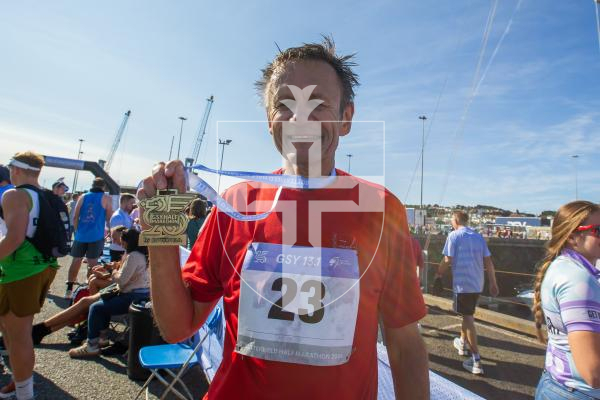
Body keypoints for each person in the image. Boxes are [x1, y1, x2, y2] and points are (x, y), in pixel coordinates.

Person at [138, 37, 429, 399]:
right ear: (268, 120)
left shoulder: (381, 209)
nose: (299, 118)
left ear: (346, 119)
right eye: (285, 104)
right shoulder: (235, 205)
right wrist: (161, 235)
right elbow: (178, 327)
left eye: (318, 104)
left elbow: (404, 343)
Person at [0, 152, 59, 400]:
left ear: (16, 169)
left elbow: (14, 238)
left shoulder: (14, 194)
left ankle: (25, 393)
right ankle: (20, 383)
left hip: (20, 270)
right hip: (44, 266)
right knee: (11, 329)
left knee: (18, 334)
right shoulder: (49, 196)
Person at [532, 201, 600, 399]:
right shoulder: (578, 280)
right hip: (578, 392)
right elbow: (593, 373)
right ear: (571, 236)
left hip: (558, 385)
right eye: (598, 230)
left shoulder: (562, 267)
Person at [67, 228, 149, 357]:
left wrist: (113, 272)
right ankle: (102, 338)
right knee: (103, 303)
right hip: (138, 295)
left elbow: (121, 281)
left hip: (132, 296)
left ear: (128, 242)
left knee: (95, 307)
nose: (121, 243)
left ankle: (91, 345)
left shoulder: (133, 256)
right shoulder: (141, 255)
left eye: (122, 241)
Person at [436, 210, 499, 375]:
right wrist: (493, 282)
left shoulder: (454, 236)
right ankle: (462, 342)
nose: (451, 222)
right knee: (467, 314)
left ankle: (476, 360)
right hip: (477, 283)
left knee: (468, 318)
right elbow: (489, 262)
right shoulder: (478, 237)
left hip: (462, 285)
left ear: (456, 219)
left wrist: (439, 273)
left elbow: (448, 259)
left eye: (451, 219)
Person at [66, 178, 112, 299]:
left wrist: (77, 232)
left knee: (76, 260)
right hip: (96, 235)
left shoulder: (83, 196)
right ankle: (88, 288)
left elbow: (75, 217)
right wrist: (111, 233)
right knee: (93, 263)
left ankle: (69, 290)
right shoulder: (106, 198)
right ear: (104, 187)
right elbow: (109, 218)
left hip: (81, 235)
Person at [108, 194, 135, 261]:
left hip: (123, 249)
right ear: (125, 202)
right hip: (118, 251)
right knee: (116, 271)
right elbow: (117, 237)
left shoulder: (125, 214)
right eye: (131, 203)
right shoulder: (118, 216)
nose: (133, 205)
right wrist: (130, 247)